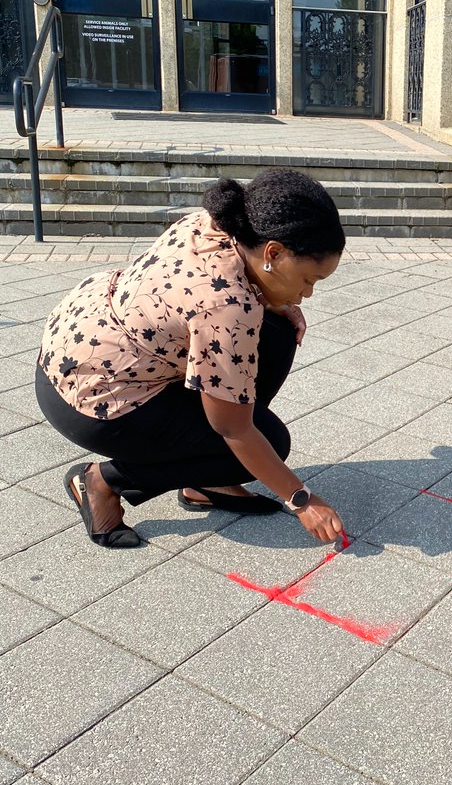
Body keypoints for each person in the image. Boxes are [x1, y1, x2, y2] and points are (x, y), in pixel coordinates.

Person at [36, 169, 345, 549]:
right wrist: (301, 499)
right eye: (308, 279)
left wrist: (275, 301)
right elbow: (235, 430)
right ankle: (102, 480)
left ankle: (204, 481)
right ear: (274, 252)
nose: (308, 294)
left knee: (277, 334)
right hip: (95, 400)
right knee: (267, 441)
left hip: (82, 346)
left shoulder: (215, 224)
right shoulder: (228, 309)